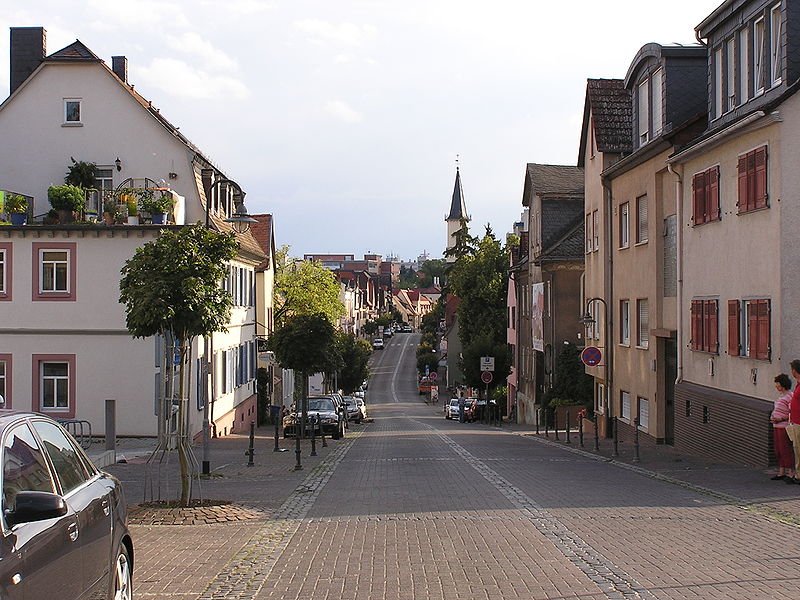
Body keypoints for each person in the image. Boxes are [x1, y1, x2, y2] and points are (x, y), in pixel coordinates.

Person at [770, 374, 794, 481]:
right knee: (778, 449)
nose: (776, 386)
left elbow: (792, 412)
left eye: (777, 383)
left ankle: (790, 472)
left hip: (784, 426)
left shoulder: (790, 396)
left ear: (783, 384)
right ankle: (781, 471)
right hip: (776, 425)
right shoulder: (780, 396)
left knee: (785, 448)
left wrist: (781, 419)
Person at [785, 360, 800, 484]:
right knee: (796, 448)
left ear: (794, 371)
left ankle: (799, 476)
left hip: (799, 423)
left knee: (798, 449)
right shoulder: (798, 385)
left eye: (792, 369)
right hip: (795, 421)